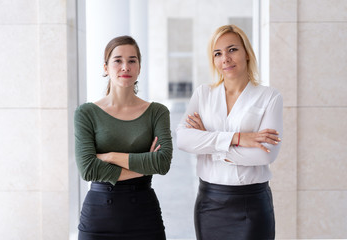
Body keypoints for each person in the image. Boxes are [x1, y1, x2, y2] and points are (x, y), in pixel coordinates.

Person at [176, 25, 283, 239]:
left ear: (246, 53)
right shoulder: (203, 94)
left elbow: (264, 154)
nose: (225, 58)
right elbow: (183, 139)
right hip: (210, 204)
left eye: (232, 49)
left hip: (252, 205)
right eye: (218, 53)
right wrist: (238, 139)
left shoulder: (269, 97)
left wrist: (209, 144)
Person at [74, 35, 173, 240]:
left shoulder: (157, 112)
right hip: (98, 216)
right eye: (118, 60)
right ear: (106, 67)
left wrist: (109, 156)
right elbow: (88, 169)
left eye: (132, 60)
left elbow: (162, 163)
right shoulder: (86, 113)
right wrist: (145, 163)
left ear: (139, 67)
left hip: (144, 216)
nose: (125, 66)